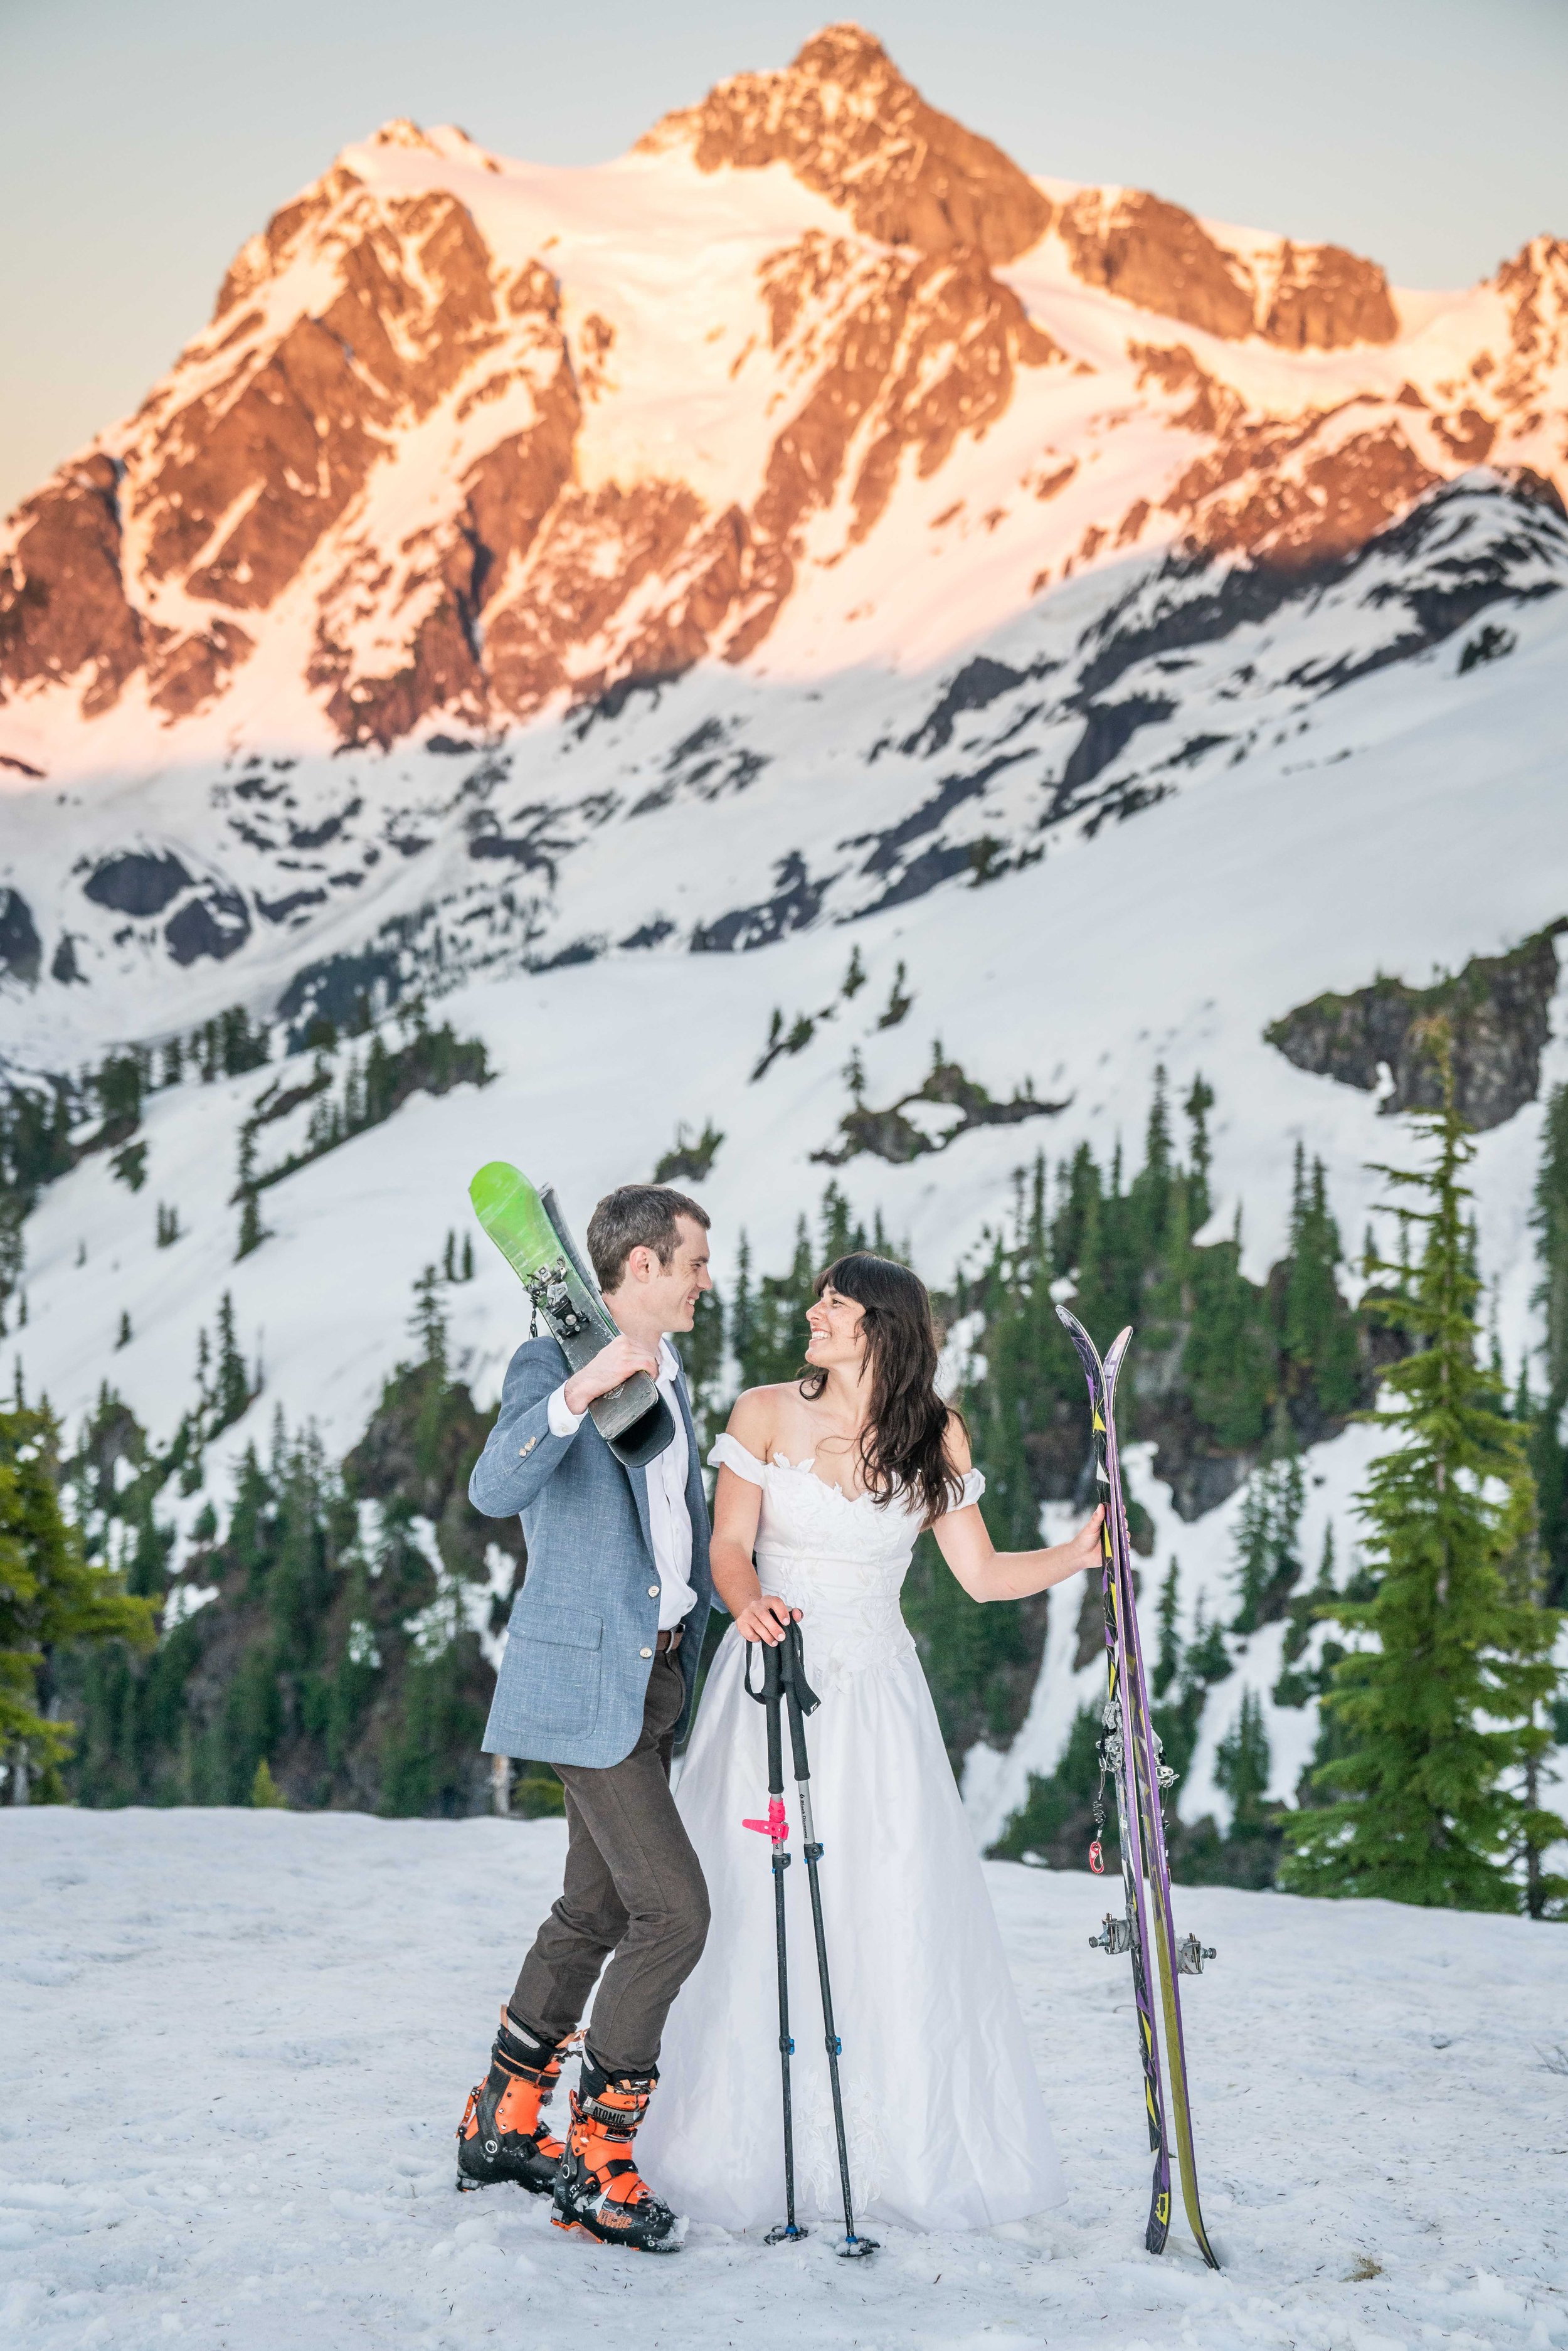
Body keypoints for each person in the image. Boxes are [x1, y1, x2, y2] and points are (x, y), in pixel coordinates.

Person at [638, 1250, 1102, 2234]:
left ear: (881, 1326)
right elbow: (727, 1544)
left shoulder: (937, 1433)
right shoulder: (765, 1412)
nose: (814, 1313)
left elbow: (979, 1576)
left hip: (879, 1697)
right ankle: (735, 2149)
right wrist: (748, 1598)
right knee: (753, 1901)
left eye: (835, 1305)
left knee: (886, 1902)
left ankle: (898, 2150)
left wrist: (1076, 1556)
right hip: (770, 1683)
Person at [457, 1184, 714, 2254]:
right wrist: (586, 1384)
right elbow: (489, 1488)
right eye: (695, 1261)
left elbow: (674, 1529)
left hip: (656, 1682)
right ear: (642, 1266)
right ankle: (596, 2159)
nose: (709, 1279)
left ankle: (502, 2123)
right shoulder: (550, 1364)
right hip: (586, 1686)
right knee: (677, 1916)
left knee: (593, 1912)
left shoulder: (677, 1375)